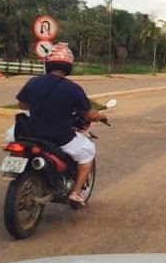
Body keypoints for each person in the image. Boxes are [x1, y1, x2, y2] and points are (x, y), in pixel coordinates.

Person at [14, 44, 105, 206]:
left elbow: (22, 104)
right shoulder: (73, 89)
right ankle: (76, 193)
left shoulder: (34, 82)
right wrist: (99, 116)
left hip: (31, 134)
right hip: (60, 138)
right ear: (68, 65)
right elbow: (88, 114)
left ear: (48, 63)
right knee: (88, 151)